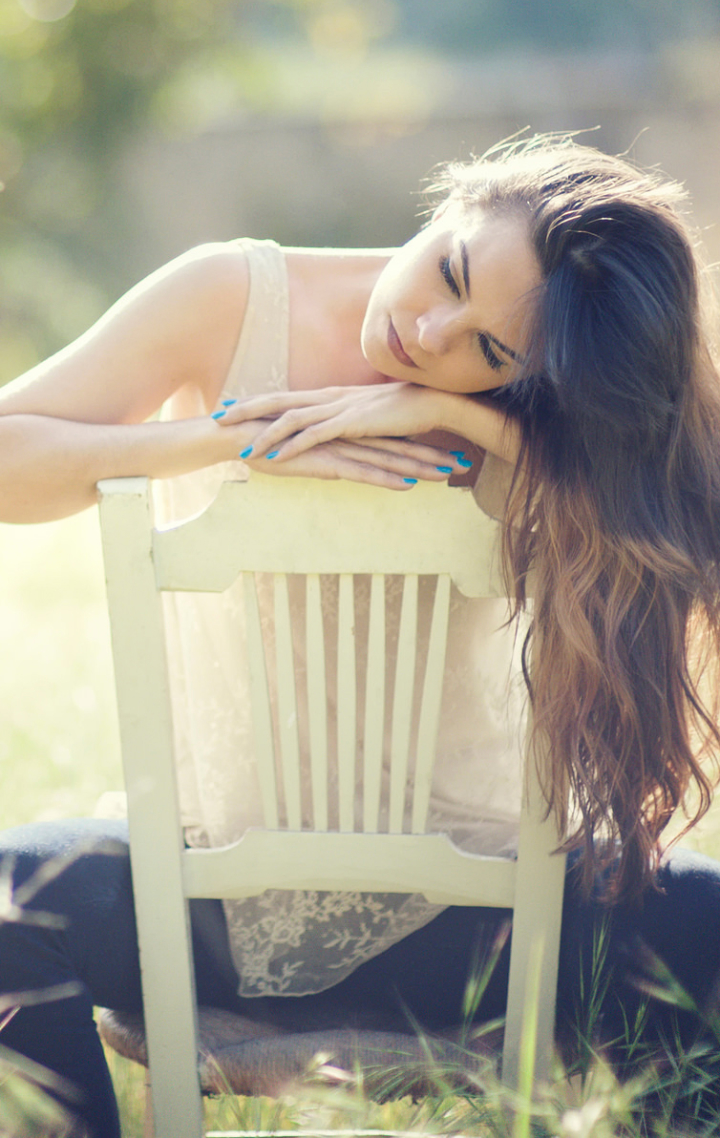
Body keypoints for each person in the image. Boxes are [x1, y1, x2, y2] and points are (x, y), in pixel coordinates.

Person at [2, 134, 720, 1136]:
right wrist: (246, 432)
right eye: (450, 272)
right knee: (7, 904)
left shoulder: (557, 424)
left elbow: (683, 516)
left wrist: (457, 416)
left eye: (490, 351)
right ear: (454, 196)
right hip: (204, 904)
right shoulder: (229, 297)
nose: (430, 331)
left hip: (480, 923)